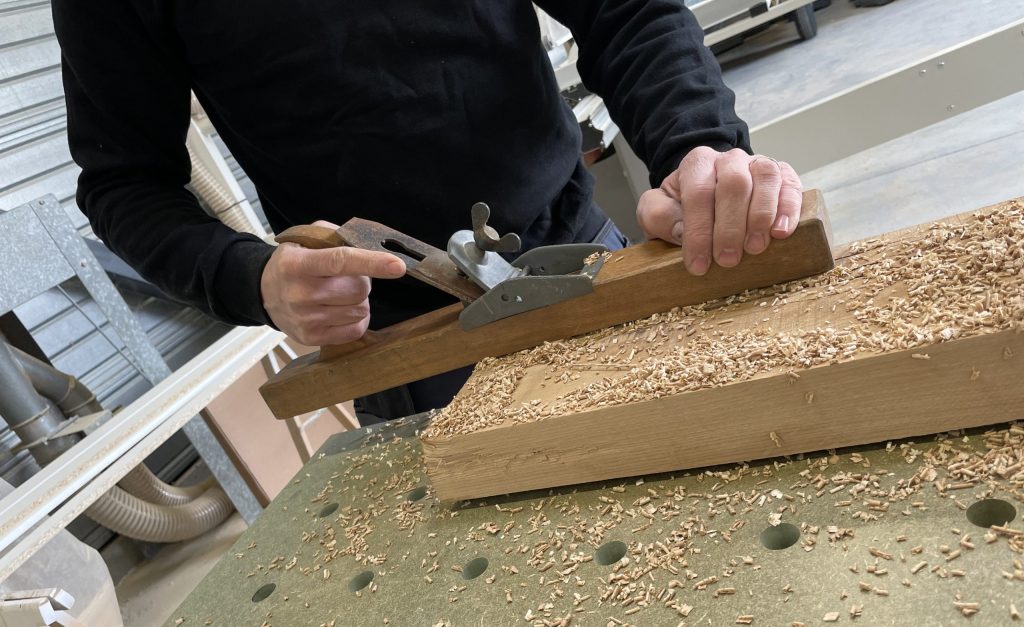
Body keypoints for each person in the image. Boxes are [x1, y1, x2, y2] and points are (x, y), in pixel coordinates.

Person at [52, 0, 802, 418]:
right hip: (408, 349)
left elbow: (626, 10)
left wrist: (697, 144)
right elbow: (122, 182)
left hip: (583, 257)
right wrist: (251, 276)